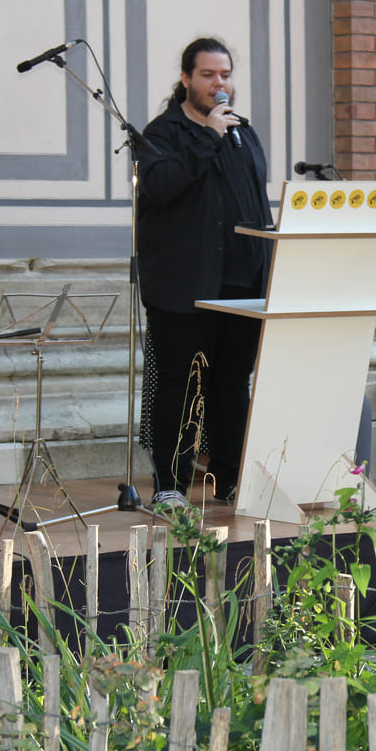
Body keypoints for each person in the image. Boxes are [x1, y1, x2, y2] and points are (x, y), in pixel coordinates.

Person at [136, 37, 273, 506]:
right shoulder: (161, 135)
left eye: (226, 74)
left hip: (239, 280)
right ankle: (170, 485)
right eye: (210, 75)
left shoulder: (244, 133)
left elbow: (257, 205)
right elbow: (163, 187)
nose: (221, 84)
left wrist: (270, 270)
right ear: (187, 79)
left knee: (232, 383)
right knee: (176, 383)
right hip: (182, 283)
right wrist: (208, 136)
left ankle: (228, 479)